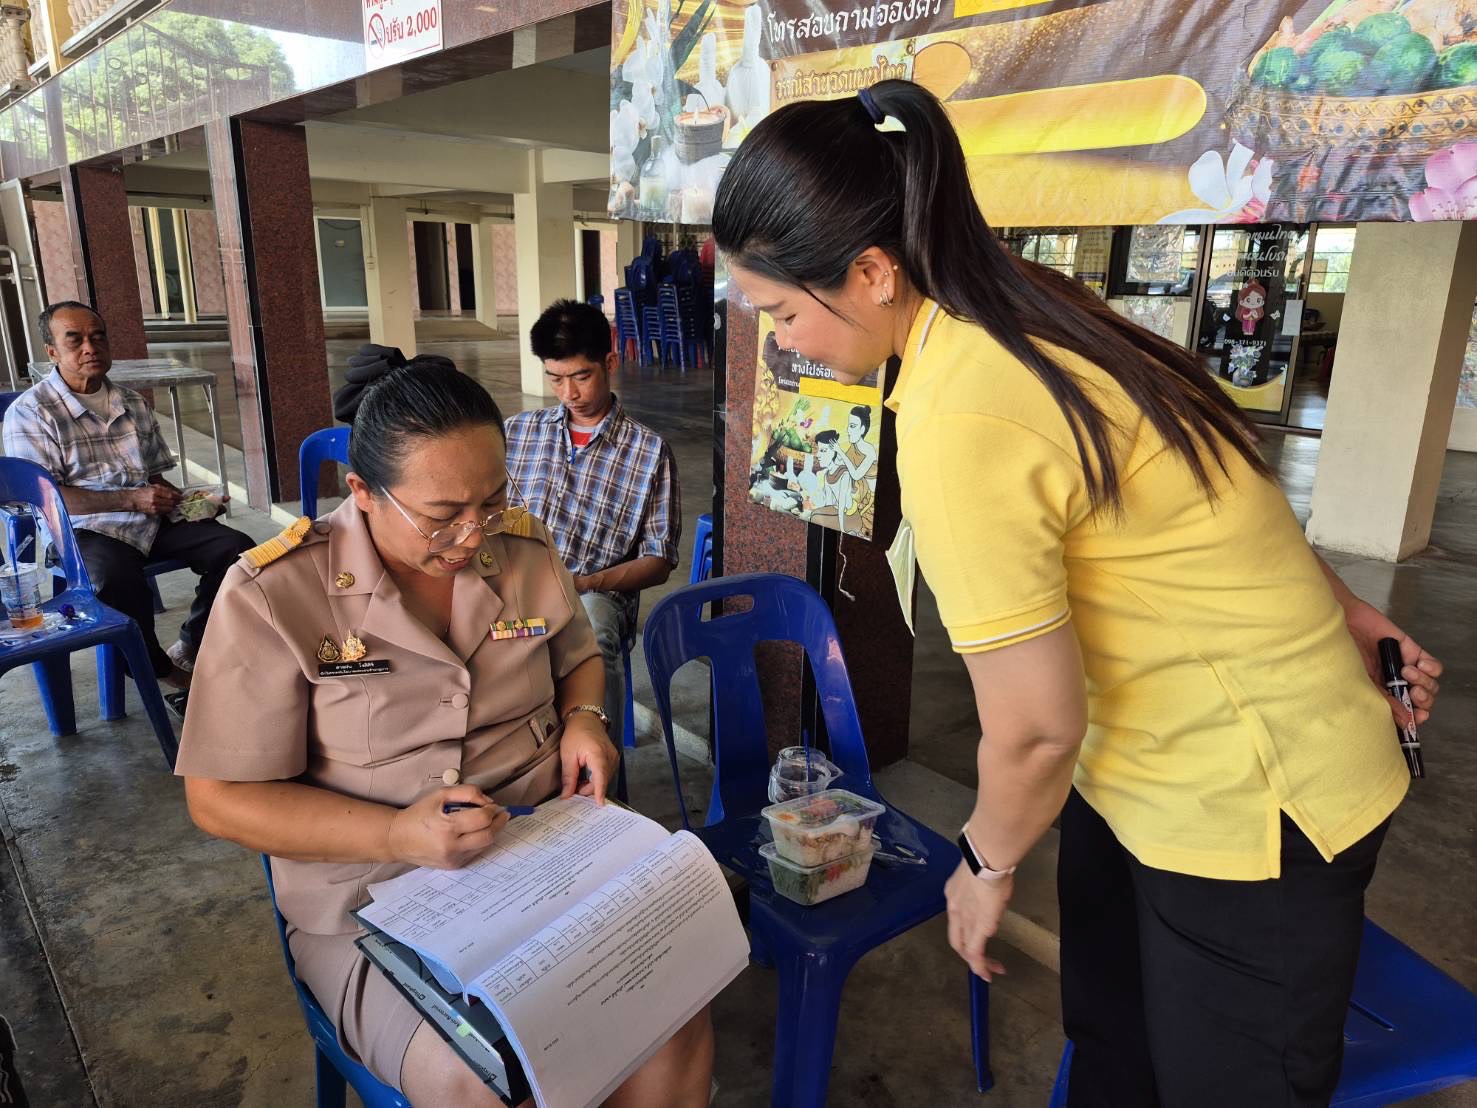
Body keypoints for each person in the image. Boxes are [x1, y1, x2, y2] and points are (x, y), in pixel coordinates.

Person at [713, 80, 1443, 1105]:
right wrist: (1340, 603)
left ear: (872, 271)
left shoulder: (962, 409)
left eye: (782, 311)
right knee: (1111, 1042)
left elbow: (1033, 730)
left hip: (1250, 801)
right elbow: (1200, 477)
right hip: (1136, 769)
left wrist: (985, 864)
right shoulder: (1019, 298)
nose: (782, 339)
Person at [174, 359, 712, 1105]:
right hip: (372, 899)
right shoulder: (277, 594)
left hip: (541, 853)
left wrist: (585, 718)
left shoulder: (520, 548)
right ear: (361, 493)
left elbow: (577, 660)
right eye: (442, 514)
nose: (471, 534)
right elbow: (220, 797)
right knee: (484, 1077)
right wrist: (398, 836)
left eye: (492, 501)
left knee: (671, 1018)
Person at [2, 301, 253, 690]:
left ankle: (193, 641)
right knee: (115, 578)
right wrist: (131, 500)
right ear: (51, 351)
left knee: (237, 549)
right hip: (83, 528)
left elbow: (151, 475)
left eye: (98, 337)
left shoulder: (132, 402)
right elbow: (49, 500)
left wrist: (192, 503)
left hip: (147, 520)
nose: (91, 347)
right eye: (75, 340)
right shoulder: (31, 412)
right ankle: (155, 669)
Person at [507, 299, 680, 748]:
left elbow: (659, 560)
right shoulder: (518, 432)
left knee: (592, 635)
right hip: (511, 579)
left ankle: (598, 761)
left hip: (595, 591)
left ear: (610, 363)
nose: (569, 393)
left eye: (581, 377)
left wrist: (587, 583)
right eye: (555, 379)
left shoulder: (649, 452)